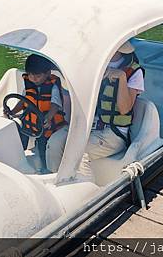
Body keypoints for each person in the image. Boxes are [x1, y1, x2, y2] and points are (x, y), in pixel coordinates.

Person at [45, 41, 144, 179]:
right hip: (87, 126)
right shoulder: (93, 66)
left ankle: (86, 194)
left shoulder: (134, 72)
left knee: (80, 153)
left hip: (113, 133)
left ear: (118, 49)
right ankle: (57, 184)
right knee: (54, 143)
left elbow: (124, 108)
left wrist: (121, 77)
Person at [8, 54, 66, 173]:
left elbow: (55, 104)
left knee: (42, 143)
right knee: (20, 130)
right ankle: (20, 158)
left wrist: (49, 117)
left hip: (47, 125)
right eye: (30, 75)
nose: (33, 79)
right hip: (31, 123)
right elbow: (24, 101)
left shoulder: (53, 86)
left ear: (48, 73)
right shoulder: (29, 85)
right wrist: (12, 111)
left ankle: (46, 168)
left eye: (38, 76)